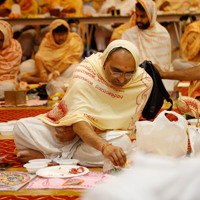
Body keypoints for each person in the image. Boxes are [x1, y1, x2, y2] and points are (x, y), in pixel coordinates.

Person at [13, 40, 153, 167]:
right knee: (21, 127)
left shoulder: (141, 83)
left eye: (129, 73)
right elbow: (77, 119)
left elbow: (123, 127)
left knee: (122, 142)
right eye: (116, 71)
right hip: (71, 133)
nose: (122, 79)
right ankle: (68, 157)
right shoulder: (88, 69)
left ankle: (53, 158)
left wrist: (99, 142)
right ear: (104, 63)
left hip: (102, 137)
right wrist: (98, 144)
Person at [19, 19, 84, 83]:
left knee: (77, 69)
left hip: (63, 70)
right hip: (46, 69)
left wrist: (57, 72)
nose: (61, 37)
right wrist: (42, 72)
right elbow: (39, 57)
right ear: (52, 34)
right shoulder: (48, 40)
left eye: (63, 34)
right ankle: (49, 79)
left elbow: (70, 60)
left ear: (68, 32)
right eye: (58, 34)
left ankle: (40, 80)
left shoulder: (74, 39)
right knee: (25, 66)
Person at [122, 0, 171, 72]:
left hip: (156, 76)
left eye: (142, 16)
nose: (138, 20)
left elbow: (164, 68)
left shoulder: (162, 34)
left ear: (151, 15)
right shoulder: (128, 34)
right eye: (137, 15)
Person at [0, 20, 22, 100]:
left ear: (8, 37)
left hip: (7, 82)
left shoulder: (15, 48)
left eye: (1, 40)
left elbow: (11, 74)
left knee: (9, 87)